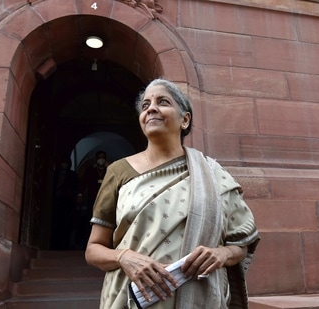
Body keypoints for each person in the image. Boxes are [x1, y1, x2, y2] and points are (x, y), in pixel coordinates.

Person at [85, 78, 260, 308]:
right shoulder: (118, 172)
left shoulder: (214, 175)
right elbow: (93, 250)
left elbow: (241, 245)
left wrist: (221, 254)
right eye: (145, 105)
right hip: (131, 299)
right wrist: (124, 257)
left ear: (185, 119)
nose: (152, 109)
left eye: (162, 101)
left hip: (199, 298)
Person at [75, 150, 109, 249]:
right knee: (90, 220)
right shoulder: (90, 170)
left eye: (103, 157)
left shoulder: (108, 170)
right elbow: (84, 182)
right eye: (99, 157)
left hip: (106, 200)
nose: (101, 160)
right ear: (96, 159)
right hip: (92, 199)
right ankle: (89, 242)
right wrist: (80, 194)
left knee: (105, 220)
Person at [51, 155, 80, 250]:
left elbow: (76, 189)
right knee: (56, 224)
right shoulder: (55, 174)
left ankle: (65, 246)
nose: (64, 164)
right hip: (56, 203)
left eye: (66, 162)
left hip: (68, 204)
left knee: (67, 225)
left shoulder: (72, 175)